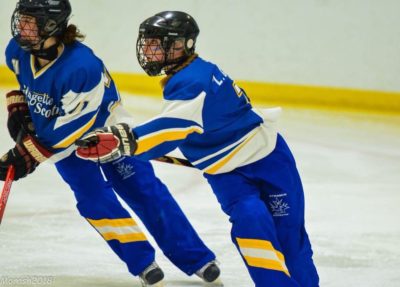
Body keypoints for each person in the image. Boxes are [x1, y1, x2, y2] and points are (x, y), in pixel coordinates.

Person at [76, 11, 320, 287]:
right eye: (148, 43)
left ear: (184, 45)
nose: (148, 51)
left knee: (290, 236)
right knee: (251, 222)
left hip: (270, 161)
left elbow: (170, 128)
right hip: (227, 174)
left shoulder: (195, 81)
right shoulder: (186, 76)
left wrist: (122, 139)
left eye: (157, 44)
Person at [0, 2, 222, 286]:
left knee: (144, 191)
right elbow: (28, 85)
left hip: (110, 136)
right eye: (22, 20)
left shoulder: (83, 66)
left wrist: (27, 155)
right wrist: (19, 106)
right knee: (94, 200)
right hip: (58, 145)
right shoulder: (16, 51)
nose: (23, 28)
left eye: (31, 22)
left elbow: (74, 127)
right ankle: (142, 262)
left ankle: (197, 258)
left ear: (52, 25)